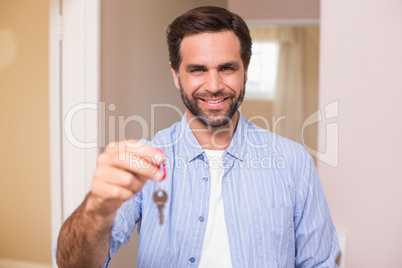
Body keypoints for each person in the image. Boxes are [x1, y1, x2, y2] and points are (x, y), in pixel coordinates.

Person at [55, 6, 339, 268]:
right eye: (198, 70)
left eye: (227, 68)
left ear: (246, 71)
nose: (214, 86)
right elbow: (73, 264)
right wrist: (95, 209)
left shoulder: (293, 162)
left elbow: (320, 263)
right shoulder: (144, 162)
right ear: (176, 75)